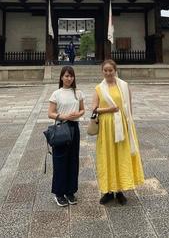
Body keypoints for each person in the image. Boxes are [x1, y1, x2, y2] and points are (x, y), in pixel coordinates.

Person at [92, 59, 144, 205]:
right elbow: (94, 109)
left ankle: (120, 189)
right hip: (107, 127)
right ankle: (108, 191)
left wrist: (129, 125)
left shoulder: (124, 86)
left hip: (122, 125)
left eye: (111, 70)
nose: (108, 73)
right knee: (108, 156)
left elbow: (129, 107)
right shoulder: (98, 88)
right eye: (105, 70)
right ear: (102, 71)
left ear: (115, 71)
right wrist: (109, 109)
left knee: (121, 156)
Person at [48, 66, 85, 207]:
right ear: (61, 77)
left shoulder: (78, 93)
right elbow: (50, 113)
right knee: (60, 161)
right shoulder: (56, 93)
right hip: (61, 128)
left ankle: (70, 191)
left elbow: (83, 109)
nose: (69, 78)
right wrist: (63, 116)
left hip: (74, 128)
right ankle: (59, 193)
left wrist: (78, 114)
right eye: (66, 76)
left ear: (74, 78)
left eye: (71, 76)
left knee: (73, 160)